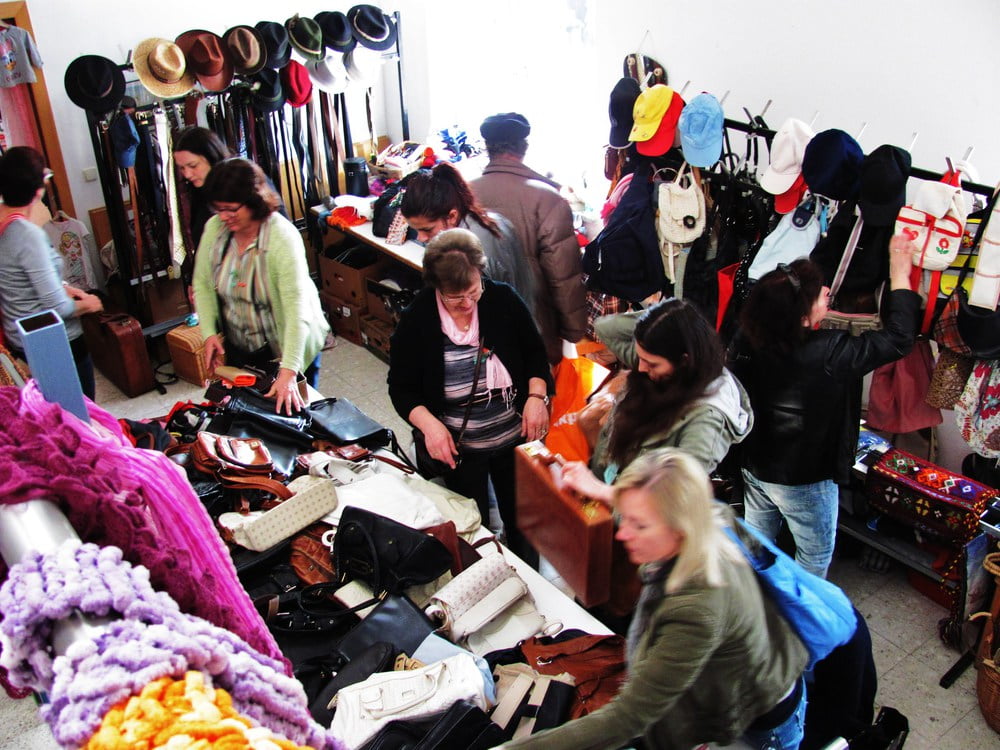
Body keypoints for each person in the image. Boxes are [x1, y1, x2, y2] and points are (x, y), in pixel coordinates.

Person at [502, 447, 809, 750]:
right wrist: (602, 491)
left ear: (678, 530)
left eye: (639, 525)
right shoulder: (703, 522)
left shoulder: (698, 607)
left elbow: (629, 718)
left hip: (761, 724)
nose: (623, 533)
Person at [728, 239, 920, 578]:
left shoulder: (747, 338)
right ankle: (804, 610)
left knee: (756, 545)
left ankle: (748, 598)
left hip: (755, 467)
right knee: (814, 556)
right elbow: (898, 338)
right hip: (804, 481)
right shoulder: (830, 353)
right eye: (819, 293)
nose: (827, 291)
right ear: (803, 318)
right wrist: (900, 272)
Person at [387, 228, 552, 565]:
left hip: (514, 438)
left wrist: (537, 397)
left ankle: (530, 581)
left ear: (481, 273)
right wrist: (430, 426)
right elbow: (401, 387)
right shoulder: (419, 317)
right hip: (461, 449)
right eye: (454, 297)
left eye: (473, 291)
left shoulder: (501, 299)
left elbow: (535, 353)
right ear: (436, 287)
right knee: (472, 529)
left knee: (524, 526)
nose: (467, 303)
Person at [559, 297, 752, 504]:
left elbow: (674, 494)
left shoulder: (708, 418)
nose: (640, 368)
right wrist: (661, 320)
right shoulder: (663, 364)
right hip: (609, 491)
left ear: (684, 360)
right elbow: (607, 327)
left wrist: (601, 491)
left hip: (634, 513)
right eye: (640, 357)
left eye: (651, 363)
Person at [191, 158, 329, 414]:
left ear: (254, 200)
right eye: (218, 209)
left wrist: (289, 371)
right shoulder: (215, 229)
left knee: (293, 418)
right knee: (245, 414)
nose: (224, 216)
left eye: (231, 209)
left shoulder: (281, 237)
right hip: (242, 343)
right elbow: (202, 284)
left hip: (289, 343)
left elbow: (296, 310)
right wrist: (209, 332)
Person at [470, 112, 587, 365]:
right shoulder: (547, 199)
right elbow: (563, 276)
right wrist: (573, 331)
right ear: (524, 147)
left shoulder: (466, 192)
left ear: (487, 147)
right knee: (535, 385)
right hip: (532, 323)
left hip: (477, 320)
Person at [0, 147, 103, 398]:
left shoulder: (4, 223)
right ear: (39, 190)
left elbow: (18, 278)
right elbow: (58, 307)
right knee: (77, 414)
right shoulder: (28, 235)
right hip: (53, 341)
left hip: (21, 337)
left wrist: (64, 287)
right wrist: (90, 303)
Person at [399, 162, 537, 319]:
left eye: (427, 229)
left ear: (452, 216)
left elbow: (478, 317)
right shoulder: (491, 220)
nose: (421, 238)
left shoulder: (468, 255)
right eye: (416, 230)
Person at [173, 126, 233, 257]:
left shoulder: (241, 184)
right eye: (182, 168)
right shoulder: (199, 190)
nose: (187, 174)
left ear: (211, 156)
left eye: (193, 166)